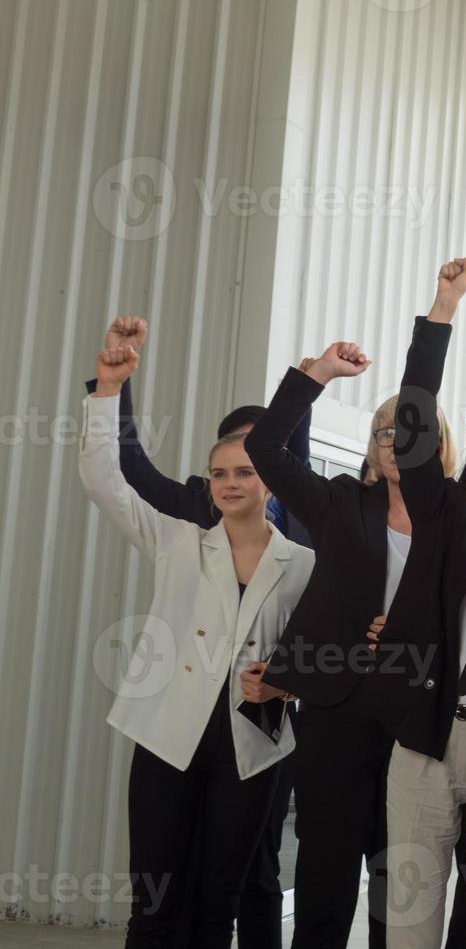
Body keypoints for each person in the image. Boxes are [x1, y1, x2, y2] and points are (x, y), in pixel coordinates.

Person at [82, 314, 311, 949]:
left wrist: (289, 686)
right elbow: (105, 482)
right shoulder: (178, 539)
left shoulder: (304, 563)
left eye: (245, 472)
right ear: (208, 484)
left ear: (271, 479)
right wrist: (108, 391)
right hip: (165, 736)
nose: (232, 483)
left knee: (218, 908)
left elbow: (323, 650)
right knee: (155, 905)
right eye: (220, 473)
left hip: (251, 745)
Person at [244, 342, 458, 949]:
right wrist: (317, 376)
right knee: (325, 870)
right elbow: (265, 449)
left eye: (410, 429)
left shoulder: (456, 517)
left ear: (437, 444)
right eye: (384, 430)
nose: (395, 440)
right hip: (337, 710)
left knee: (399, 875)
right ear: (372, 444)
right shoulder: (340, 503)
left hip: (417, 712)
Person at [366, 257, 466, 948]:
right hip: (426, 733)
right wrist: (444, 309)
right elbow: (416, 414)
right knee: (410, 918)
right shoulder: (443, 507)